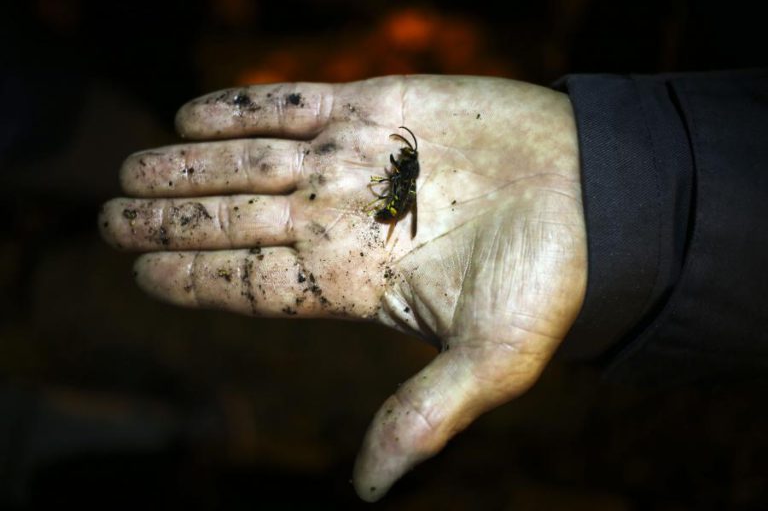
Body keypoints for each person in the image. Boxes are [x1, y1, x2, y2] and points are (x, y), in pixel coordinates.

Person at [99, 70, 768, 502]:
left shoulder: (404, 183)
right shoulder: (399, 181)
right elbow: (399, 191)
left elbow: (401, 192)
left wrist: (625, 202)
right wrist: (633, 189)